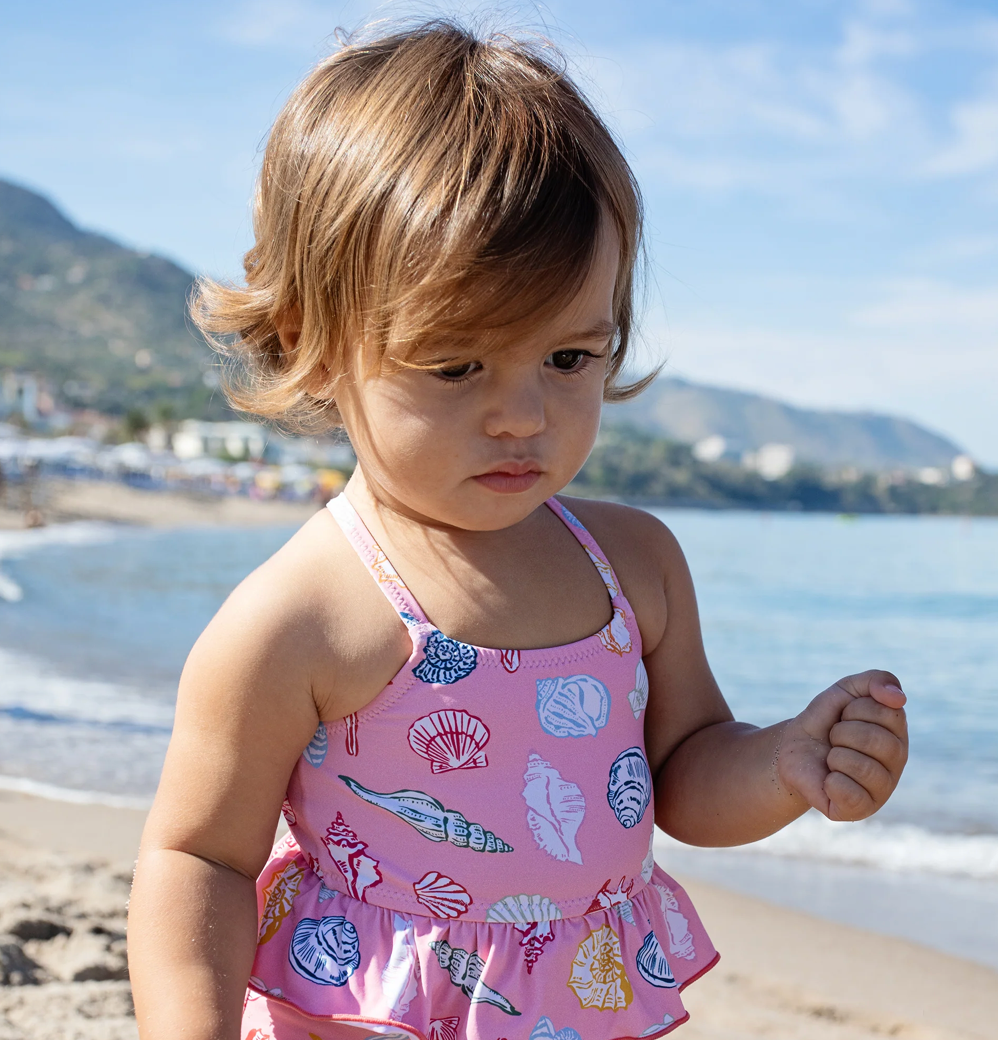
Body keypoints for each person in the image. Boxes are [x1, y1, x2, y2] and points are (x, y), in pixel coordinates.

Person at [127, 20, 909, 1040]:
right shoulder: (300, 616)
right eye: (457, 366)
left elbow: (681, 771)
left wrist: (782, 762)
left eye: (569, 359)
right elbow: (199, 857)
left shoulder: (635, 565)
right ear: (312, 343)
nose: (522, 415)